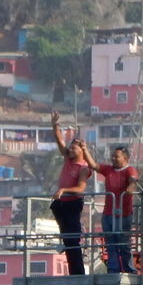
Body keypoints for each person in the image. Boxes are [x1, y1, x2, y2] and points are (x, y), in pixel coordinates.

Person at [49, 111, 93, 275]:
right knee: (67, 239)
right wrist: (55, 125)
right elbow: (59, 141)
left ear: (82, 150)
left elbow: (80, 188)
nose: (70, 150)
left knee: (73, 238)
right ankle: (74, 271)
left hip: (73, 203)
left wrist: (64, 190)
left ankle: (78, 272)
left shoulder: (83, 167)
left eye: (74, 148)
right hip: (62, 203)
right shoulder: (68, 158)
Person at [91, 145, 139, 273]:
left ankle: (129, 270)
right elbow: (94, 166)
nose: (113, 158)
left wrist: (131, 186)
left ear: (125, 158)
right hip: (108, 213)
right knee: (110, 243)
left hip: (123, 214)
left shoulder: (130, 170)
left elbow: (133, 180)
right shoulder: (109, 170)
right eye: (112, 156)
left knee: (123, 243)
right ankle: (113, 270)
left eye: (116, 156)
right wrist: (84, 149)